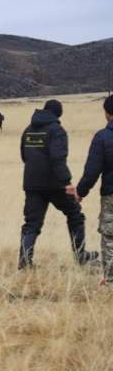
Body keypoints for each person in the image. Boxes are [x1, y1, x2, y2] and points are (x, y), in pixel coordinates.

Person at [18, 99, 98, 269]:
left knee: (31, 223)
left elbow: (24, 156)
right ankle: (81, 256)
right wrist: (67, 182)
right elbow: (57, 158)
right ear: (58, 114)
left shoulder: (28, 130)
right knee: (75, 215)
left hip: (32, 184)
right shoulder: (57, 131)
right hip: (54, 185)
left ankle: (24, 262)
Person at [76, 95, 113, 286]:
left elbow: (92, 172)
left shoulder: (102, 137)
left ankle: (111, 280)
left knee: (109, 237)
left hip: (111, 195)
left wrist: (80, 192)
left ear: (107, 114)